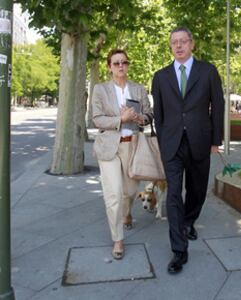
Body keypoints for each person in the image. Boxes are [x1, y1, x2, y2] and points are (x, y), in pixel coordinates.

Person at [151, 27, 224, 274]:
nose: (179, 46)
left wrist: (216, 140)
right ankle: (179, 251)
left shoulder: (208, 71)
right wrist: (162, 142)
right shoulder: (160, 77)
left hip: (200, 141)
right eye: (174, 42)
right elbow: (158, 114)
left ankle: (189, 220)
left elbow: (218, 106)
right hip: (172, 144)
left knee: (197, 190)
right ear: (170, 46)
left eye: (183, 41)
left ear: (192, 44)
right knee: (173, 195)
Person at [92, 49, 152, 260]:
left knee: (129, 191)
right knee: (113, 194)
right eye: (115, 63)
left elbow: (149, 114)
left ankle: (127, 213)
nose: (120, 66)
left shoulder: (138, 89)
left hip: (132, 145)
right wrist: (121, 118)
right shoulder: (100, 89)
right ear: (109, 66)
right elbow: (97, 119)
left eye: (124, 62)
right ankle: (118, 239)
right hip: (109, 147)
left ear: (128, 65)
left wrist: (139, 119)